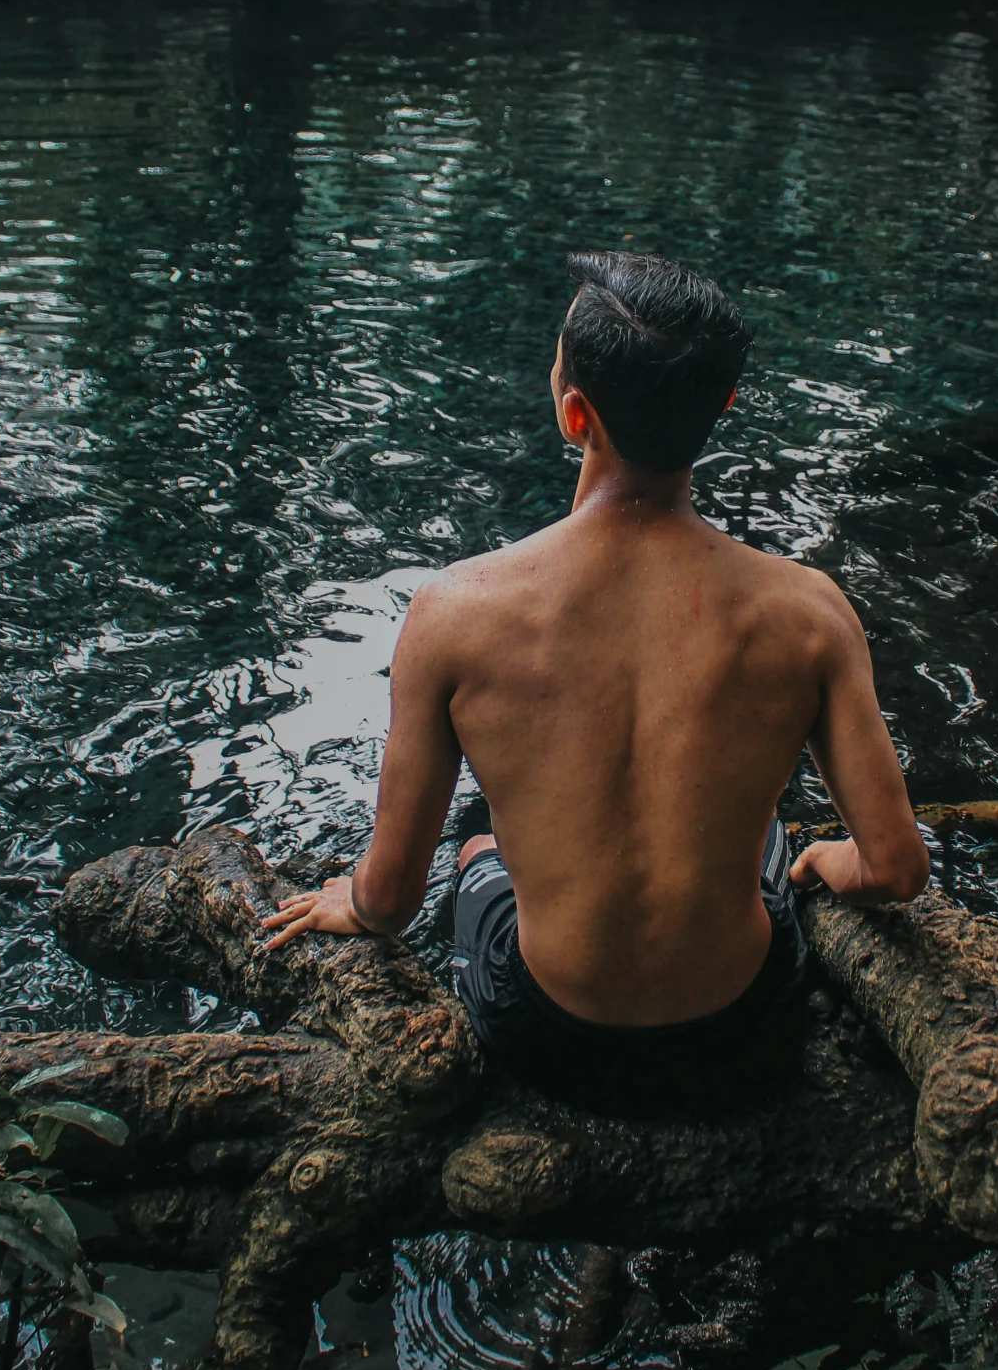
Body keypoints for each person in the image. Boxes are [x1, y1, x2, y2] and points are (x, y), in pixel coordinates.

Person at [261, 250, 928, 1085]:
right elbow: (896, 870)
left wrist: (349, 904)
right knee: (766, 835)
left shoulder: (455, 612)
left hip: (544, 1036)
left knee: (476, 845)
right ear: (720, 407)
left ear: (575, 415)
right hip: (744, 1036)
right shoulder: (810, 614)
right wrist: (833, 863)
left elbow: (389, 904)